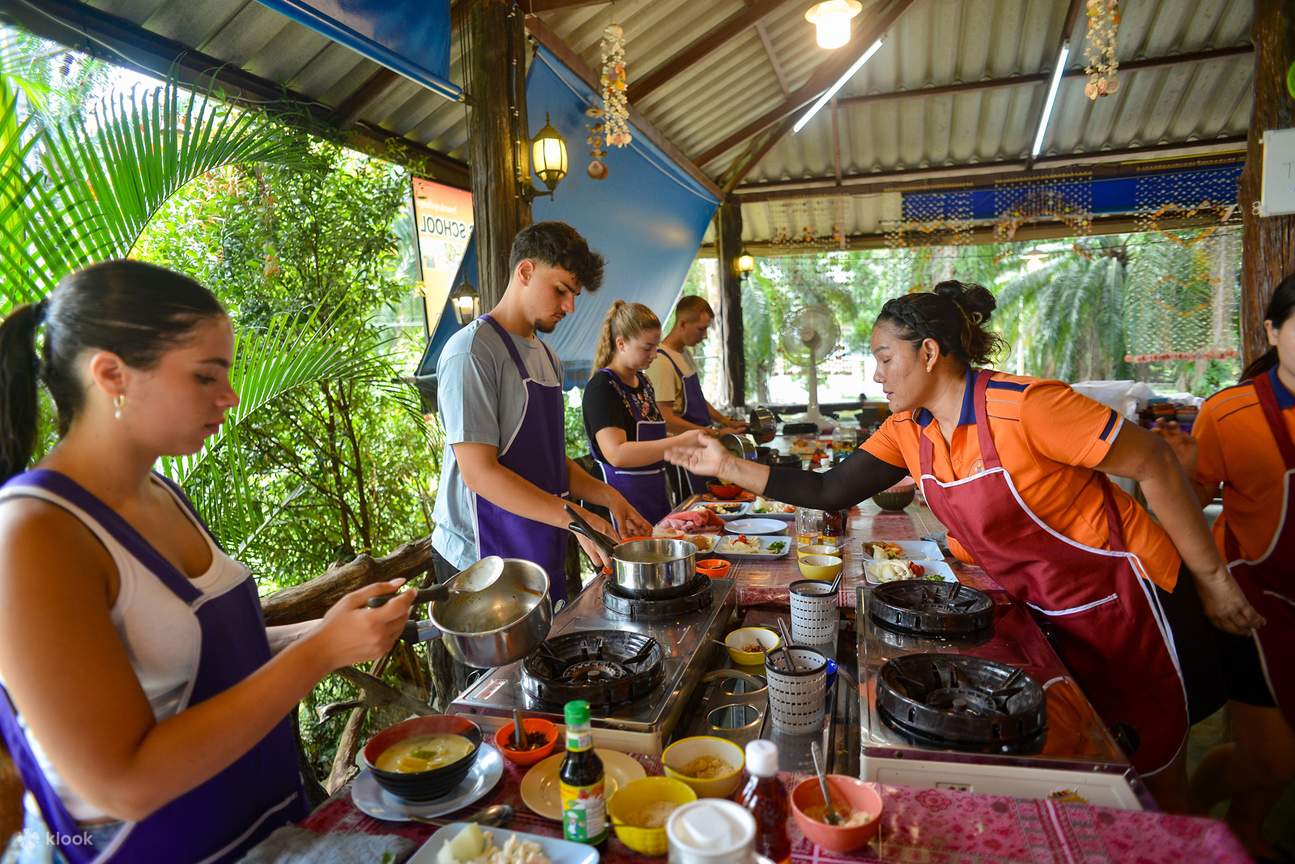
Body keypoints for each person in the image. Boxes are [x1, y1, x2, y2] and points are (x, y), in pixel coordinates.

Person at [666, 280, 1263, 810]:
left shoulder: (1028, 407)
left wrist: (1212, 580)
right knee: (1086, 765)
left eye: (884, 357)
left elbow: (1156, 461)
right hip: (1045, 609)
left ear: (928, 352)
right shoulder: (909, 429)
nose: (877, 374)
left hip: (1126, 602)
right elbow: (828, 489)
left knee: (1151, 772)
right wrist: (727, 462)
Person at [0, 261, 416, 863]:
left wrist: (322, 630)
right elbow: (117, 783)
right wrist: (319, 653)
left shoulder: (161, 493)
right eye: (204, 376)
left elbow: (194, 658)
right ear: (112, 374)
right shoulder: (33, 533)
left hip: (266, 831)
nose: (229, 396)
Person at [431, 222, 650, 602]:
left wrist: (610, 497)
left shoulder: (549, 358)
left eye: (574, 294)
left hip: (536, 543)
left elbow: (549, 463)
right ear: (526, 272)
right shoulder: (472, 352)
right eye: (561, 290)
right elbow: (479, 474)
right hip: (478, 560)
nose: (570, 307)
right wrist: (580, 520)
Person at [1158, 272, 1295, 855]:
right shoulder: (1232, 412)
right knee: (1273, 758)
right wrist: (1183, 469)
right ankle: (1192, 817)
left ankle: (1245, 828)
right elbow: (1183, 507)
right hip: (1254, 601)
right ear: (1273, 330)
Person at [582, 301, 707, 528]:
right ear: (621, 344)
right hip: (618, 507)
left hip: (654, 497)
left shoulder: (644, 383)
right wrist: (676, 443)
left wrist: (688, 446)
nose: (654, 355)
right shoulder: (602, 387)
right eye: (647, 348)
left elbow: (651, 443)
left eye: (656, 347)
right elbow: (617, 454)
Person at [645, 295, 745, 496]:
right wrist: (712, 433)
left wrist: (725, 421)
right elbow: (666, 419)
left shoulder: (683, 354)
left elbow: (697, 400)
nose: (705, 335)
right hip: (684, 456)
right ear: (682, 323)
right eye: (701, 329)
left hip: (702, 445)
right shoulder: (661, 362)